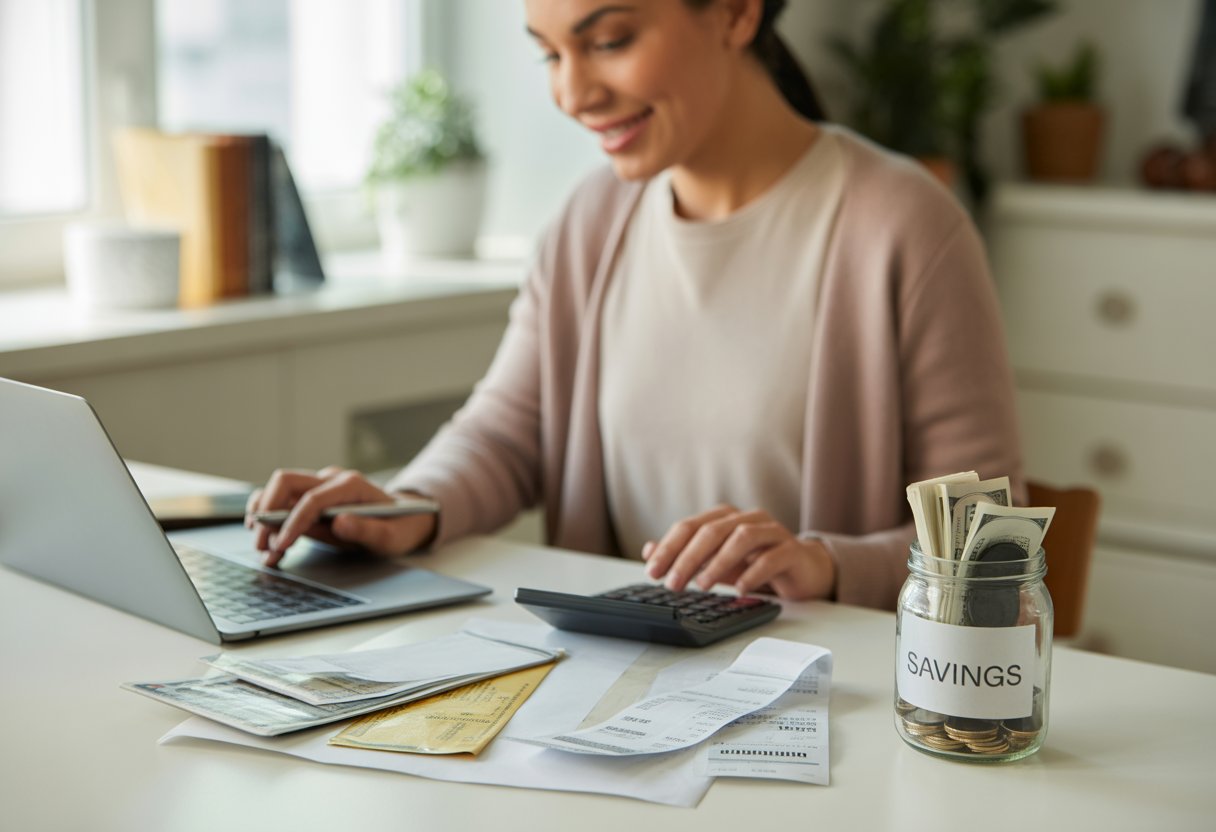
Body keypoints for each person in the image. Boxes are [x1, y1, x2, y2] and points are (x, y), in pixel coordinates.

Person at [247, 0, 1023, 612]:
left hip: (825, 714)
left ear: (735, 12)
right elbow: (508, 433)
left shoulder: (903, 226)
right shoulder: (590, 223)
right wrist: (401, 507)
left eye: (609, 40)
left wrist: (824, 563)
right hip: (623, 702)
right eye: (551, 54)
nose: (573, 93)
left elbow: (989, 537)